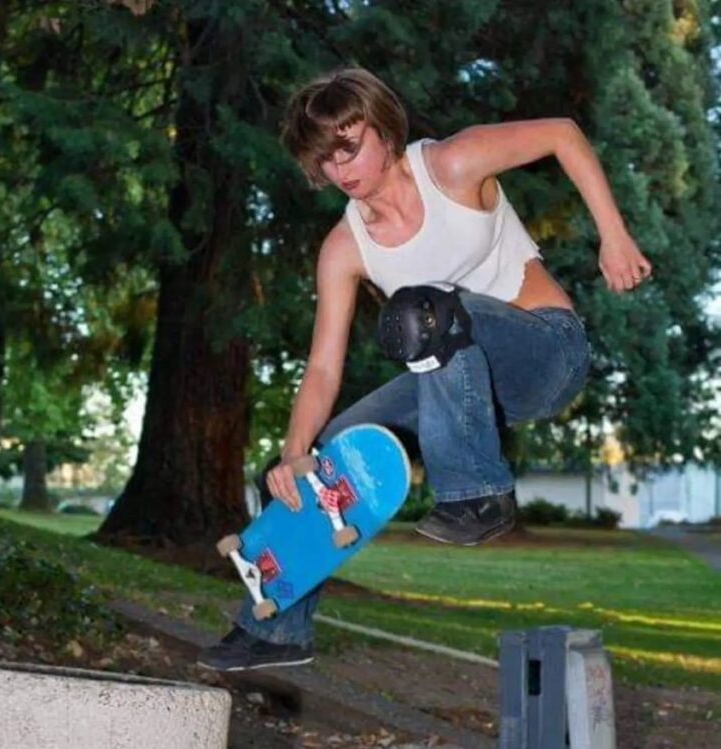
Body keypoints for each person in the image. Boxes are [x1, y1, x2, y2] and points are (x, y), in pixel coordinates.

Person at [200, 67, 651, 672]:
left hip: (545, 353)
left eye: (349, 147)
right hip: (459, 384)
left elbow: (563, 134)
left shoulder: (451, 166)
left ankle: (478, 495)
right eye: (326, 159)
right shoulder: (343, 248)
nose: (340, 169)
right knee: (315, 467)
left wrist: (613, 237)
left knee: (424, 312)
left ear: (383, 130)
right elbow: (323, 367)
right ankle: (275, 631)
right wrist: (292, 452)